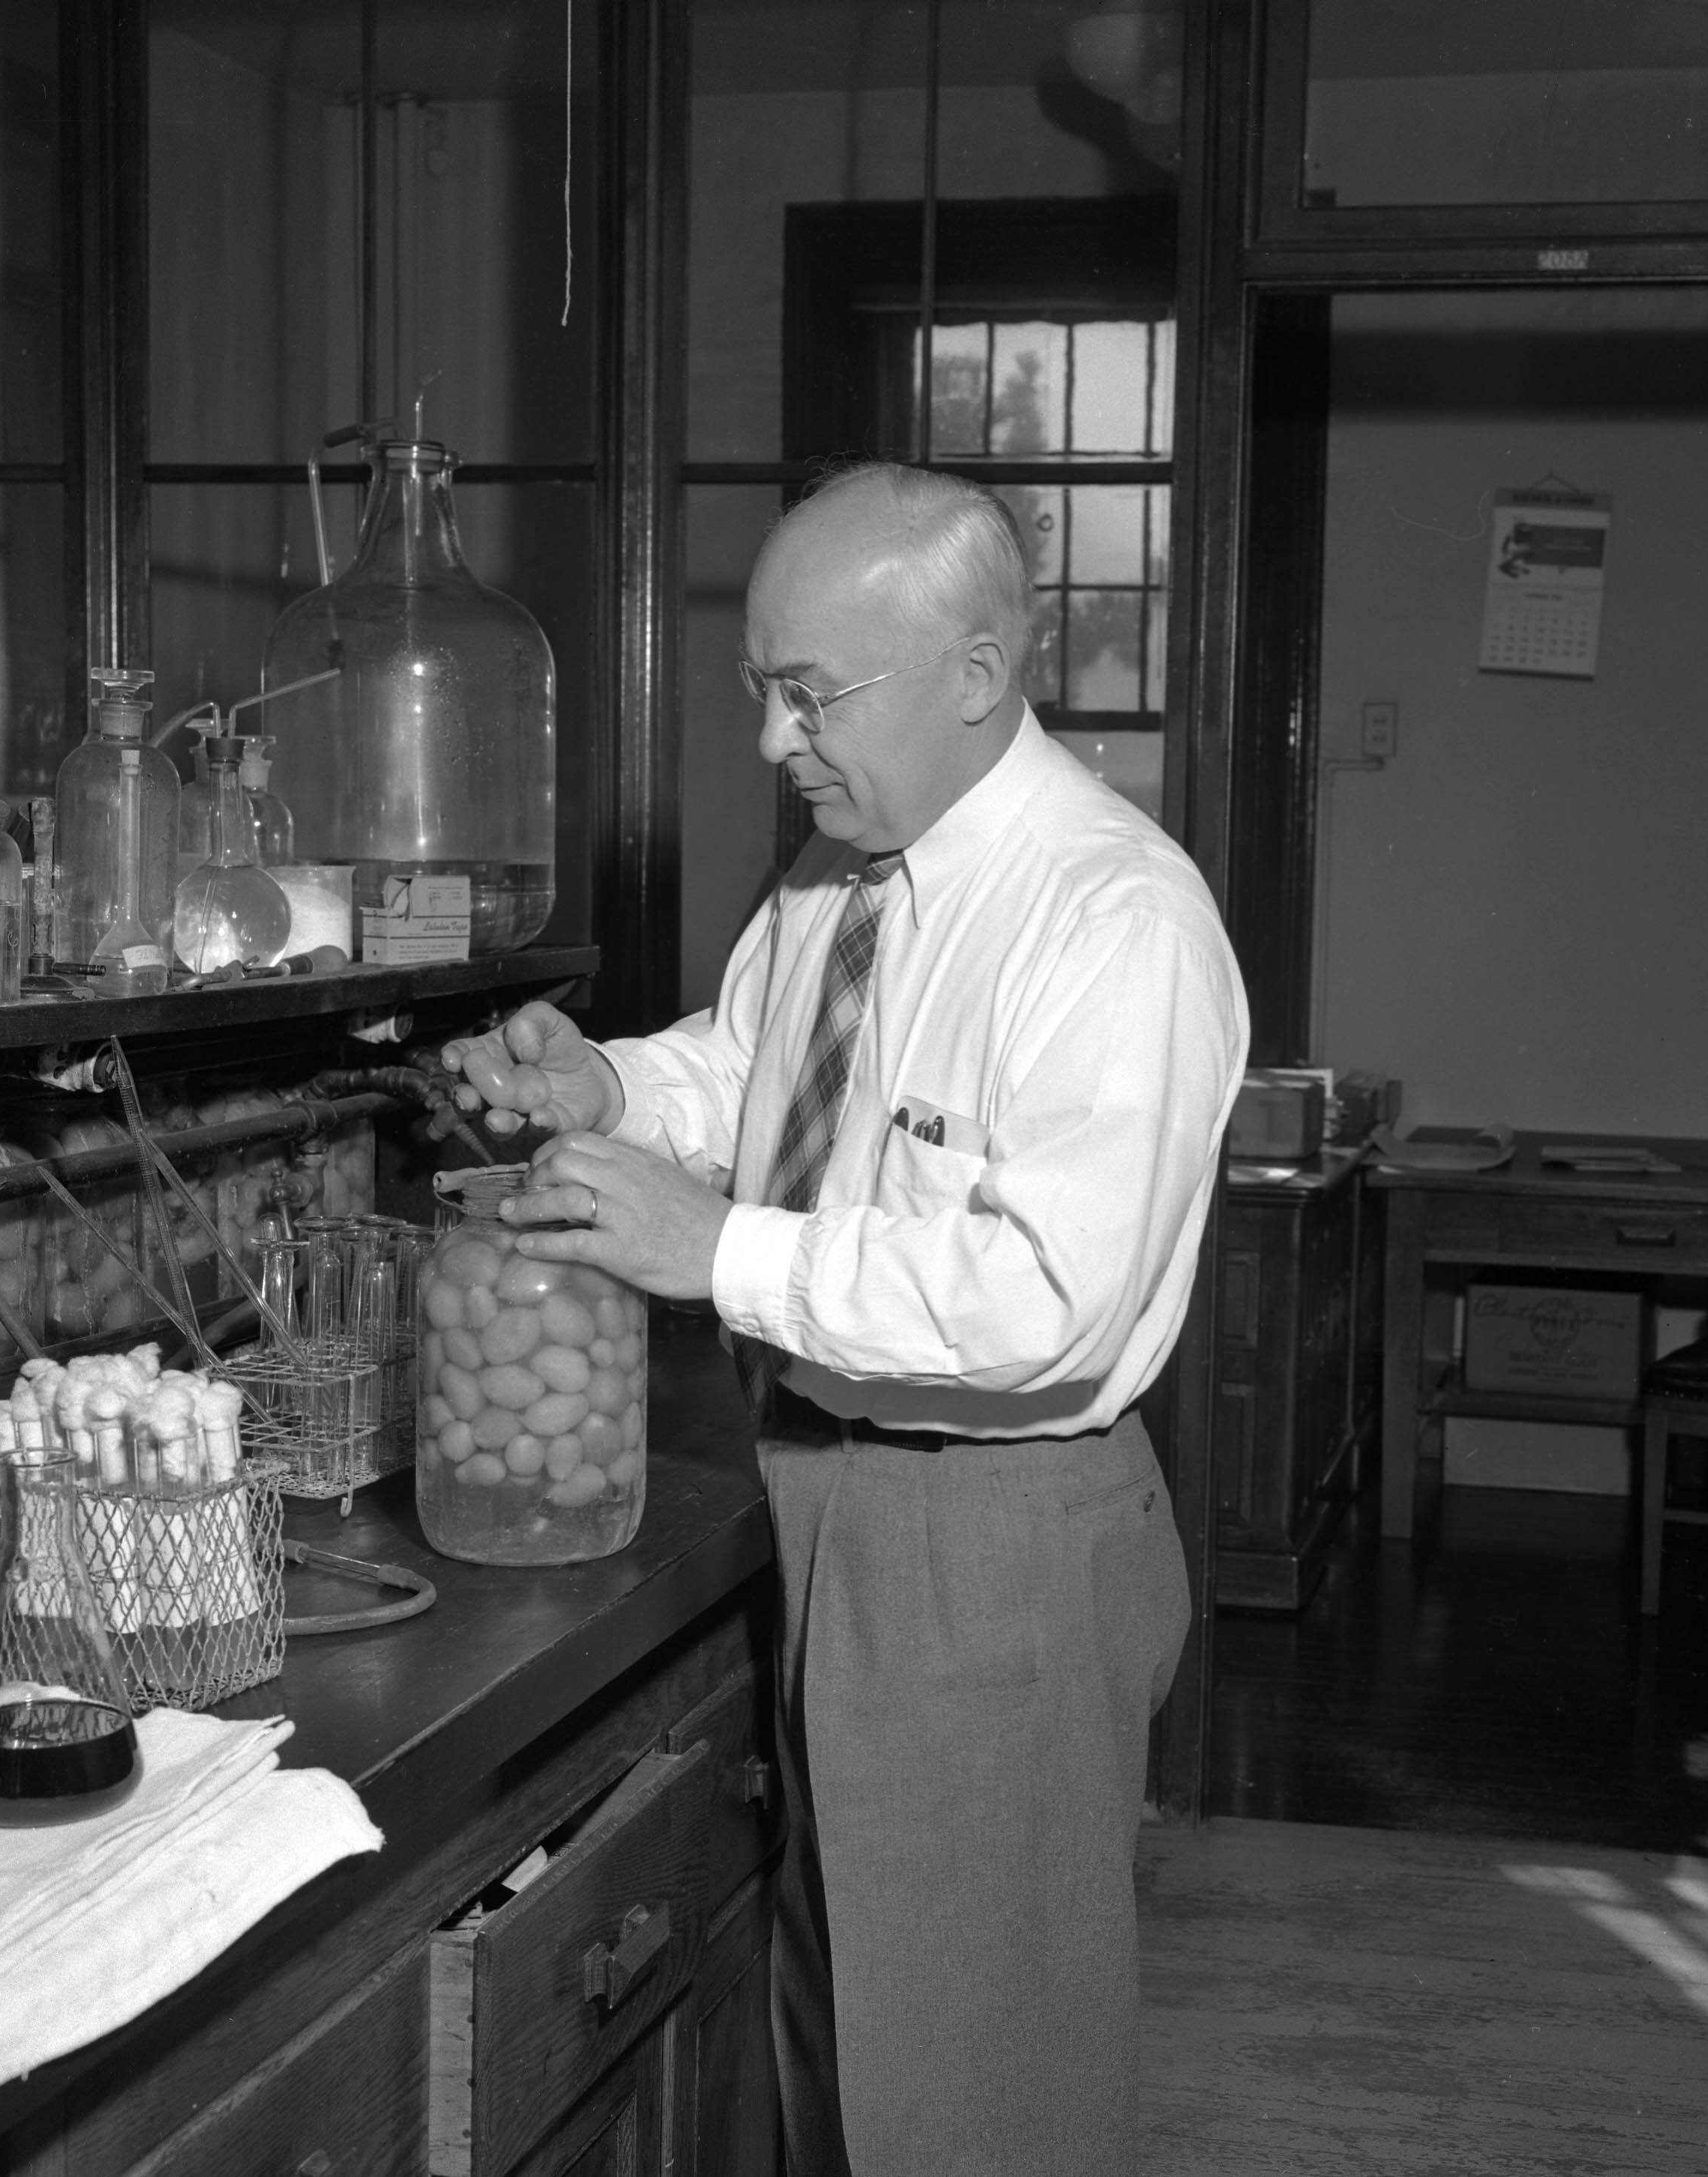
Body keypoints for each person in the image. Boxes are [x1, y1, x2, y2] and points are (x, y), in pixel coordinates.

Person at [439, 461, 1247, 2177]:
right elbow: (754, 1067)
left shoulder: (1116, 919)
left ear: (976, 673)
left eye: (810, 695)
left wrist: (719, 1250)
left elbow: (1047, 1297)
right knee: (837, 2023)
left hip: (987, 1534)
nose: (771, 738)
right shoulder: (841, 871)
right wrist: (608, 1085)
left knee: (974, 2090)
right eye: (763, 689)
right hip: (812, 1476)